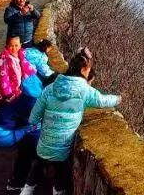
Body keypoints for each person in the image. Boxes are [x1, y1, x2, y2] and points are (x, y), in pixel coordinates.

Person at [19, 48, 120, 195]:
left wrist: (35, 122)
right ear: (84, 69)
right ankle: (57, 191)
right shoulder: (85, 91)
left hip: (44, 144)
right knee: (61, 176)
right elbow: (102, 100)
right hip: (62, 148)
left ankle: (26, 191)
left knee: (37, 165)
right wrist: (118, 99)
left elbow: (34, 116)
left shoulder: (50, 88)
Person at [0, 35, 36, 108]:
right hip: (6, 92)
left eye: (16, 45)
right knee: (6, 108)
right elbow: (4, 78)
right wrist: (8, 94)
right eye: (11, 45)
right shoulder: (6, 60)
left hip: (15, 87)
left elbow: (25, 65)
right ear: (7, 46)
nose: (14, 48)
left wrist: (33, 70)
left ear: (20, 45)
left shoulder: (19, 55)